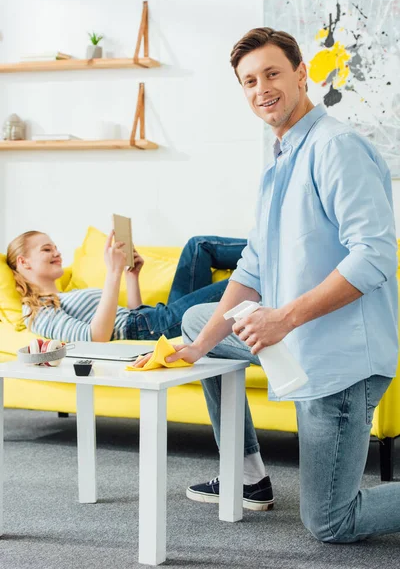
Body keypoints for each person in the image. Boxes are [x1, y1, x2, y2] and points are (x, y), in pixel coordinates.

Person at [135, 27, 400, 541]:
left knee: (329, 522)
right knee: (196, 322)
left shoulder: (336, 147)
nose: (262, 88)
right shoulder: (279, 163)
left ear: (302, 75)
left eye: (272, 73)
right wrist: (197, 348)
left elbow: (376, 255)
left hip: (339, 363)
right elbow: (252, 269)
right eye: (249, 80)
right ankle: (250, 474)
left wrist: (282, 318)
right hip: (296, 344)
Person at [6, 231, 246, 343]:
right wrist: (114, 272)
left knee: (198, 247)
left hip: (148, 318)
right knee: (245, 281)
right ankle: (275, 265)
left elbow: (129, 315)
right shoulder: (37, 312)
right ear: (23, 262)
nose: (57, 252)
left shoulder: (66, 295)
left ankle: (271, 248)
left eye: (55, 247)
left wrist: (132, 276)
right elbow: (96, 337)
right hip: (152, 325)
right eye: (46, 249)